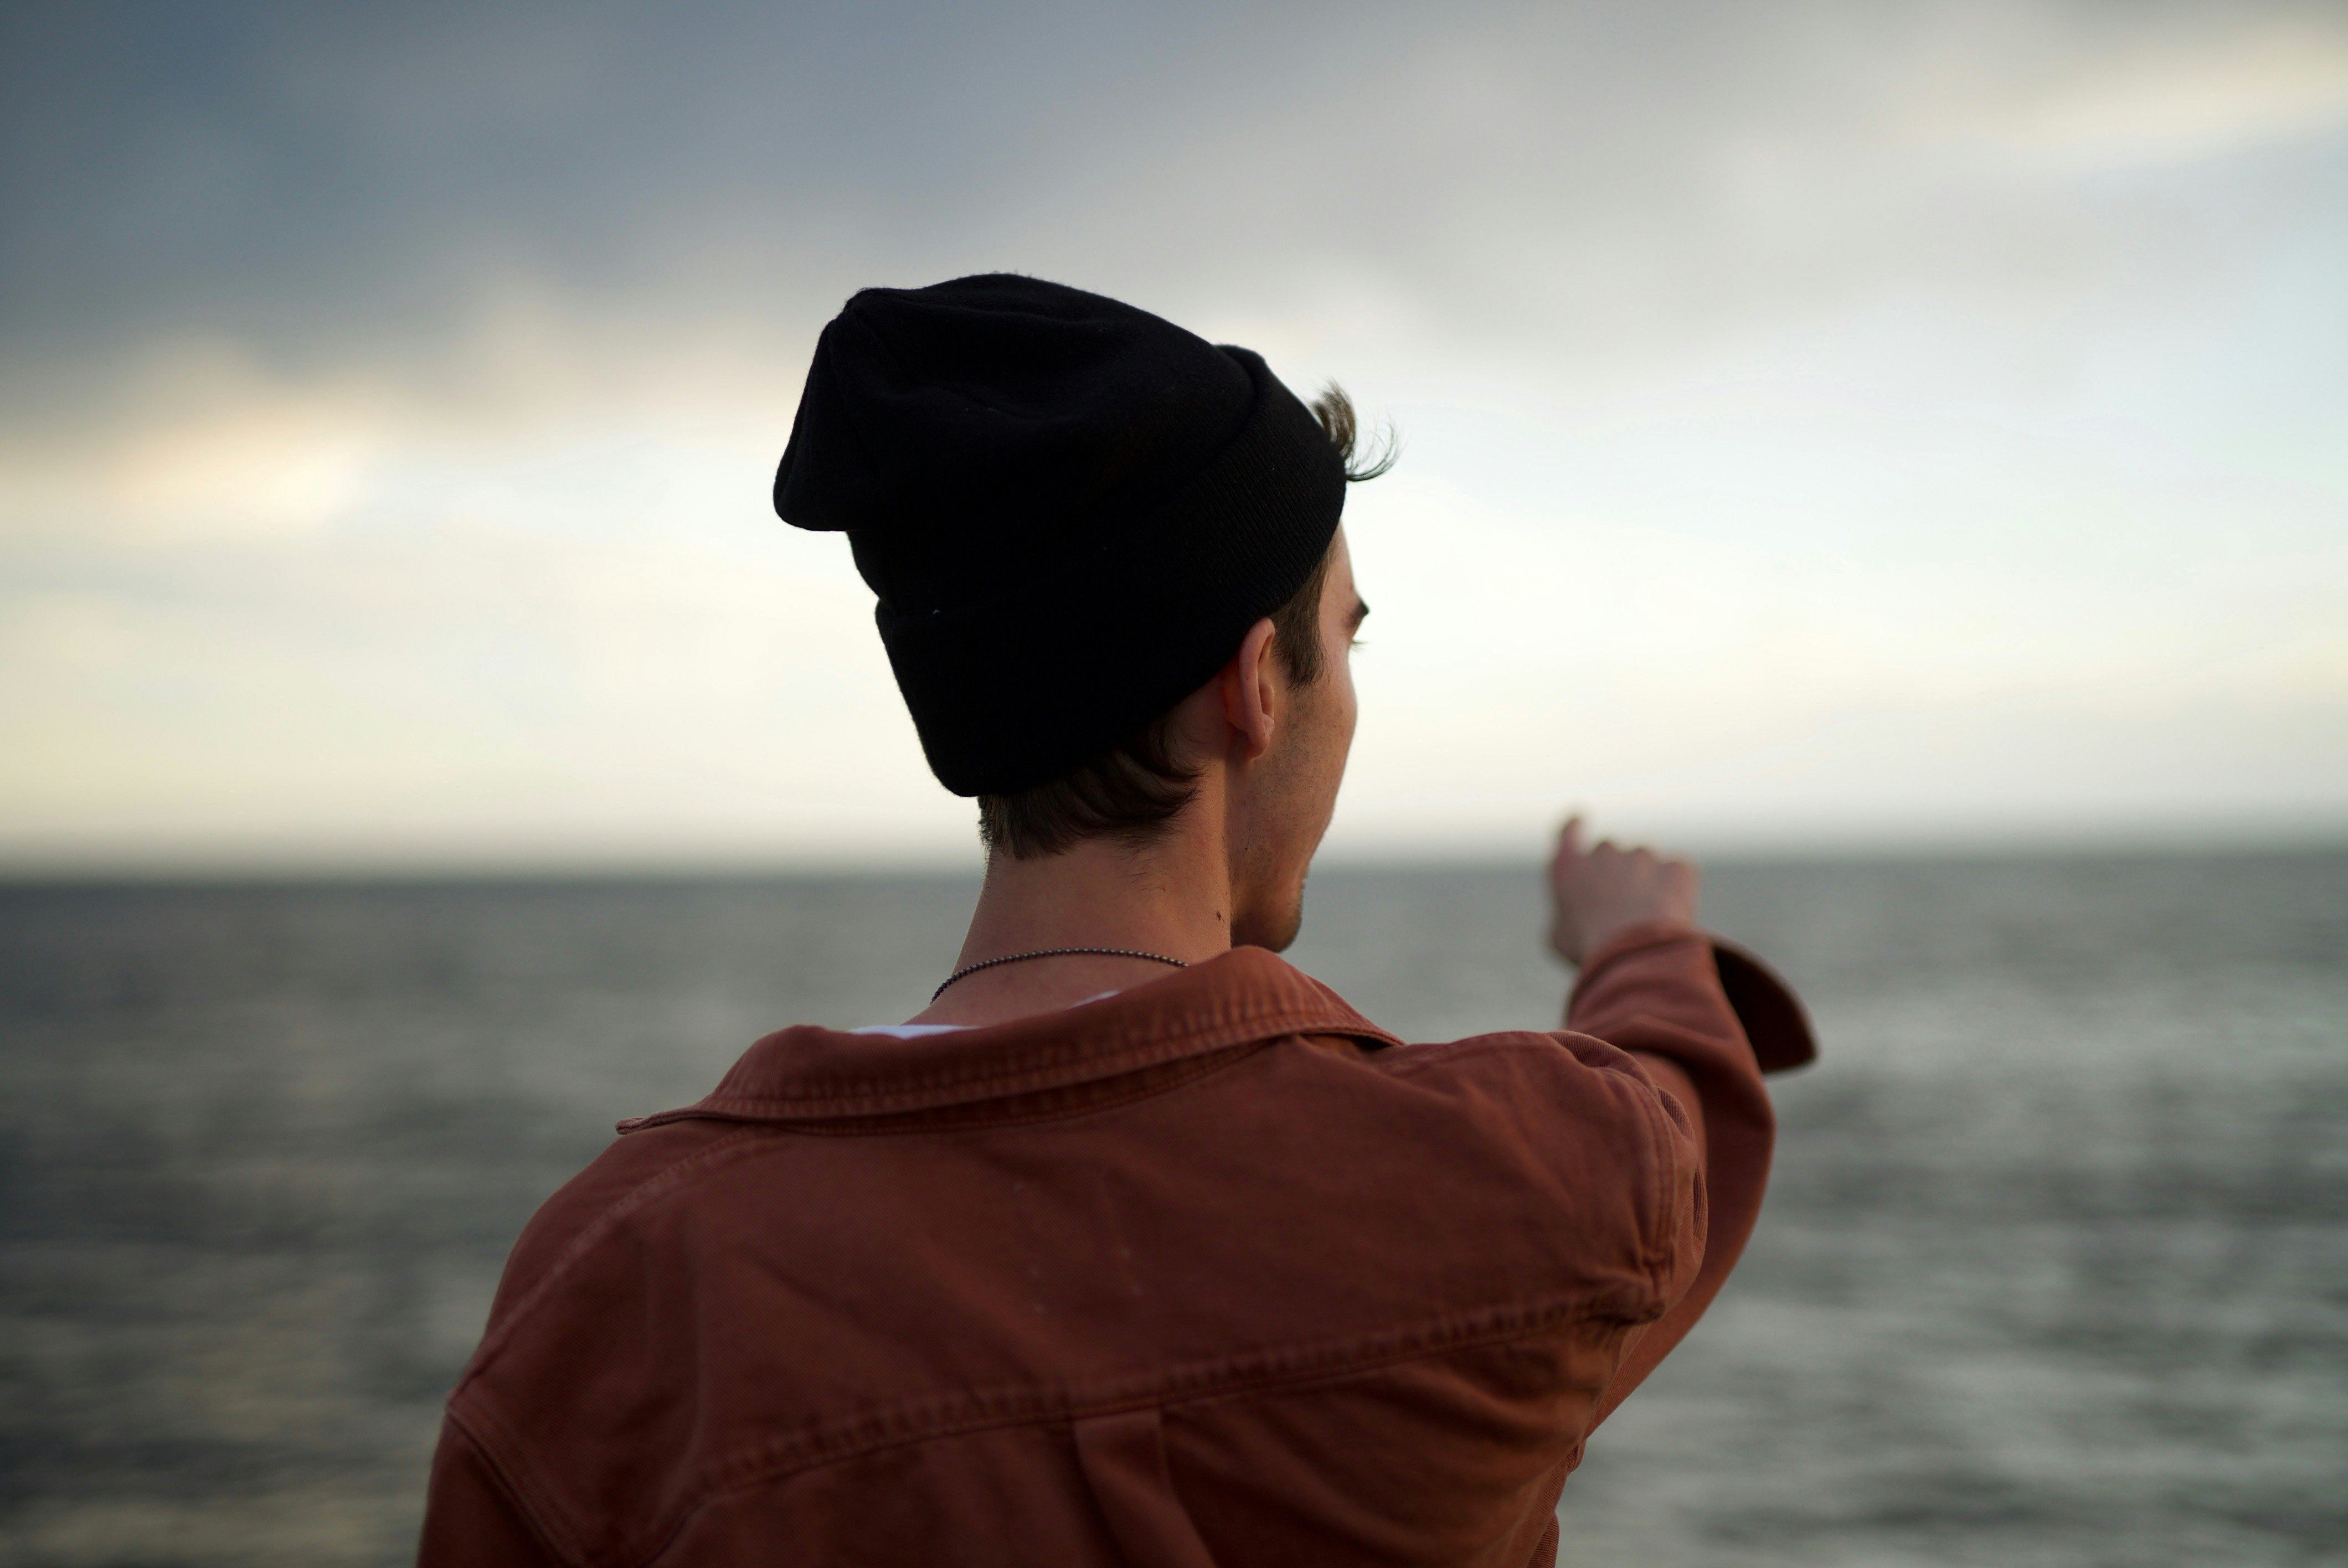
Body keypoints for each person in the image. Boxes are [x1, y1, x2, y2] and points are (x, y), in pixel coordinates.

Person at [417, 274, 1814, 1566]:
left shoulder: (618, 1291)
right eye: (1346, 640)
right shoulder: (1524, 1183)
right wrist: (1638, 936)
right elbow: (1684, 1119)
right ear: (1255, 687)